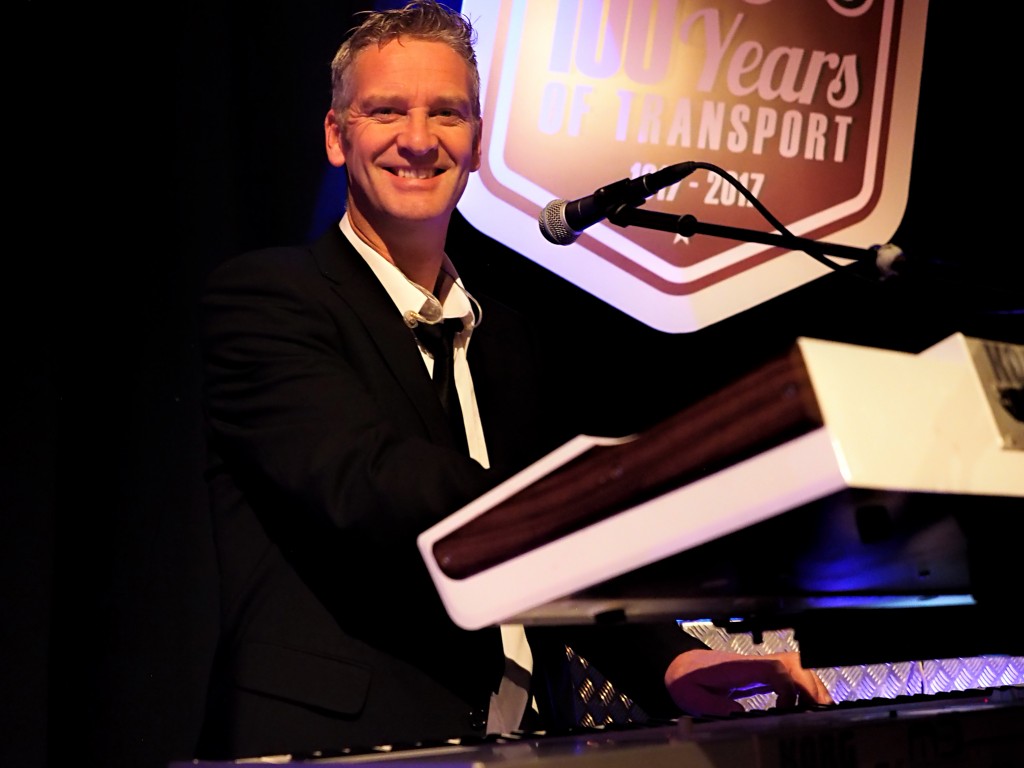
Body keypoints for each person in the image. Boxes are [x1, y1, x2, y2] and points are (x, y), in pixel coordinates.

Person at [196, 1, 831, 759]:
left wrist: (671, 658)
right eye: (386, 111)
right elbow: (371, 483)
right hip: (343, 745)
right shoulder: (269, 299)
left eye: (447, 113)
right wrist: (596, 495)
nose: (418, 139)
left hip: (524, 744)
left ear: (476, 143)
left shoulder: (512, 340)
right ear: (336, 136)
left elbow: (549, 561)